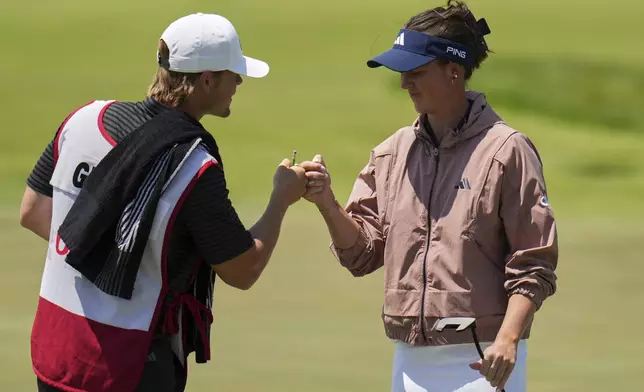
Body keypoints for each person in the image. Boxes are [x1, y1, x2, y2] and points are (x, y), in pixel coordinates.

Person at [19, 13, 307, 392]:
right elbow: (242, 269)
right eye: (232, 74)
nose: (238, 82)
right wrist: (281, 199)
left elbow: (33, 211)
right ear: (206, 80)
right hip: (128, 363)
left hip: (57, 350)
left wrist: (106, 255)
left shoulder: (84, 118)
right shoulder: (192, 165)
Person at [299, 1, 558, 391]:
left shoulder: (507, 151)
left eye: (416, 73)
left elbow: (534, 262)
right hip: (409, 360)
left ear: (454, 71)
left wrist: (508, 339)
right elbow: (362, 255)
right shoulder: (391, 154)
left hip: (483, 359)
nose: (404, 84)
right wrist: (326, 204)